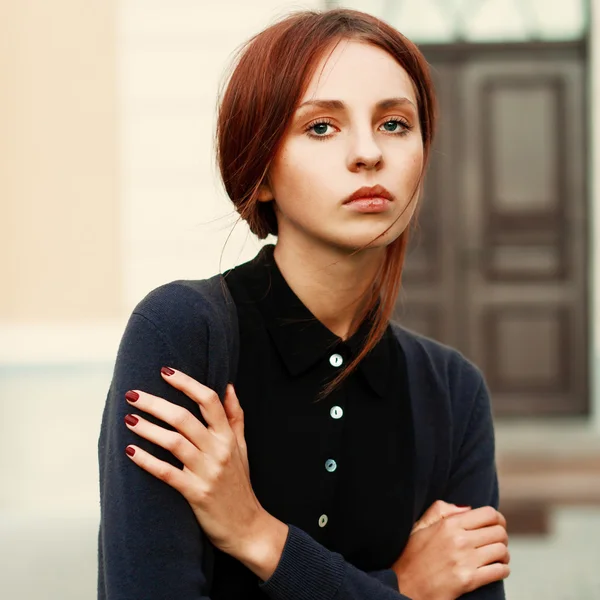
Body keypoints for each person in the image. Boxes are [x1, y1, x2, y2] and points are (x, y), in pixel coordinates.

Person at [97, 7, 510, 600]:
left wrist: (258, 536)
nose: (368, 153)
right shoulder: (183, 336)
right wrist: (406, 588)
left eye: (395, 123)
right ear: (260, 171)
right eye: (321, 127)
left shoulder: (452, 391)